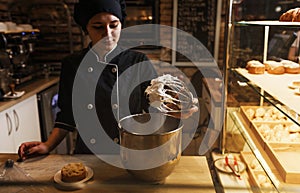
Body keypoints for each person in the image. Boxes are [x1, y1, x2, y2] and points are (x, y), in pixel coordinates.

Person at [18, 0, 198, 160]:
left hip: (132, 152)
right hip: (88, 154)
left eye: (114, 25)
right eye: (98, 26)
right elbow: (67, 115)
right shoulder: (72, 65)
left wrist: (173, 110)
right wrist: (48, 145)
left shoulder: (138, 61)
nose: (108, 33)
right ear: (85, 28)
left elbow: (150, 106)